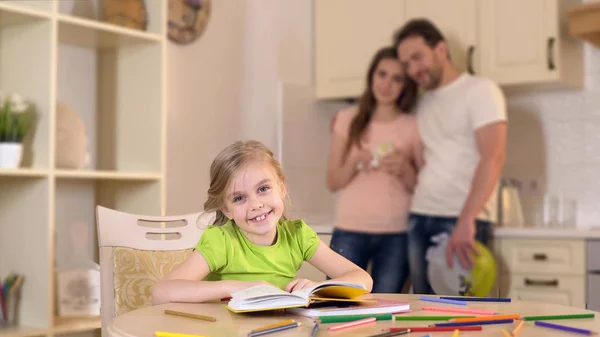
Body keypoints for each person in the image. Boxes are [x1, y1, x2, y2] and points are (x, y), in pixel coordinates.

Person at [152, 140, 373, 305]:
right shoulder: (221, 240)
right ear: (226, 210)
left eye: (263, 189)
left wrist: (319, 288)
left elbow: (363, 279)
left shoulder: (297, 236)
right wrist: (236, 288)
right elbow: (161, 293)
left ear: (282, 187)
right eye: (239, 198)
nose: (256, 204)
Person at [392, 18, 507, 295]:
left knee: (462, 313)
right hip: (420, 215)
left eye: (417, 57)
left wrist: (467, 220)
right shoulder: (423, 103)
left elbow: (493, 156)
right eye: (406, 64)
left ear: (441, 49)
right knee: (424, 310)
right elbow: (427, 164)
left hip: (460, 218)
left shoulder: (480, 90)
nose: (413, 69)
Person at [326, 46, 420, 294]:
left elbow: (421, 189)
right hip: (349, 230)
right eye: (382, 74)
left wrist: (404, 169)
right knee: (336, 302)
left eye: (397, 78)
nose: (387, 84)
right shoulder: (348, 119)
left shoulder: (412, 126)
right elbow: (333, 181)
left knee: (383, 310)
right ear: (371, 76)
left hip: (396, 235)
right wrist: (354, 160)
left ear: (405, 86)